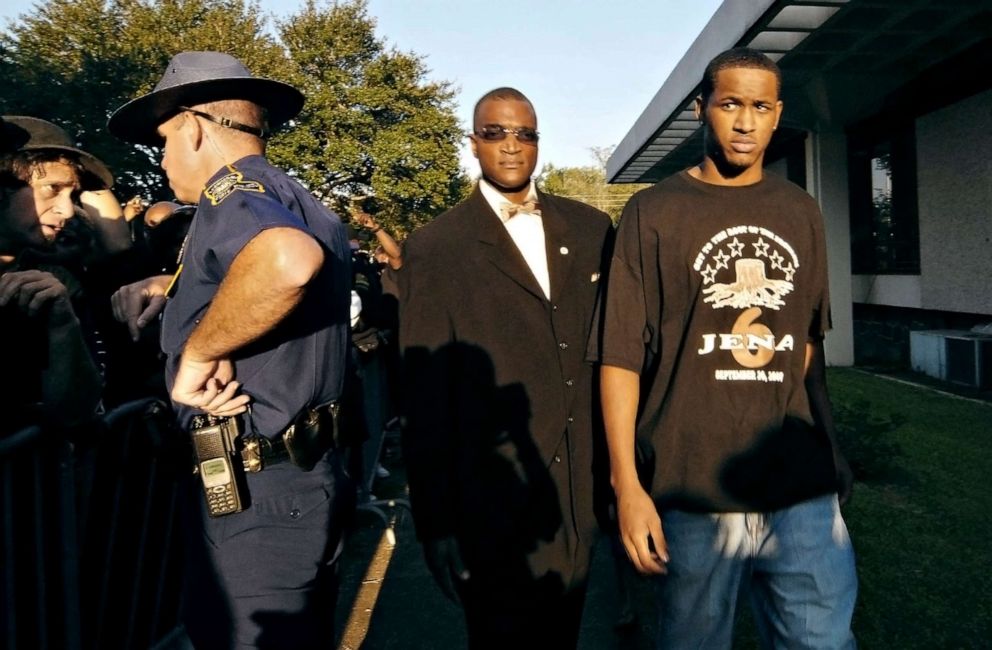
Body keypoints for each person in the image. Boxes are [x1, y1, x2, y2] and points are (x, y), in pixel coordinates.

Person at [594, 48, 857, 648]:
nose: (745, 122)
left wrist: (832, 446)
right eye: (730, 104)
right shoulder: (652, 212)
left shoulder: (801, 211)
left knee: (823, 641)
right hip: (693, 488)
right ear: (700, 110)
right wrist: (628, 486)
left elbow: (807, 350)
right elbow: (619, 357)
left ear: (778, 113)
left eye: (760, 107)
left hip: (799, 488)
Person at [107, 51, 354, 649]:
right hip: (297, 480)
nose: (162, 161)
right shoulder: (294, 196)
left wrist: (196, 352)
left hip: (256, 494)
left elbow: (286, 262)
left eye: (164, 142)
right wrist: (175, 291)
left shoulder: (229, 193)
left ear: (192, 126)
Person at [399, 87, 613, 648]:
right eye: (495, 132)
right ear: (473, 143)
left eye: (525, 133)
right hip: (490, 501)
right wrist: (436, 523)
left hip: (582, 490)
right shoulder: (435, 247)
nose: (511, 145)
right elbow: (424, 398)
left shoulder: (591, 231)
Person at [0, 115, 109, 433]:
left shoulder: (58, 285)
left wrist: (63, 326)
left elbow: (78, 411)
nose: (67, 209)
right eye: (52, 189)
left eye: (73, 196)